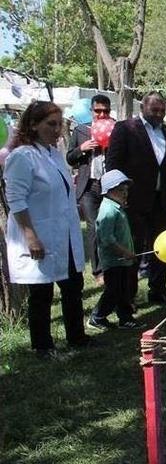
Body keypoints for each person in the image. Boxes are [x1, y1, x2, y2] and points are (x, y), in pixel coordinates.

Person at [4, 101, 92, 358]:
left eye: (59, 124)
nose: (57, 130)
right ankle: (43, 346)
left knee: (73, 285)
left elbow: (62, 191)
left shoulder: (53, 153)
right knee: (41, 292)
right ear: (32, 125)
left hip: (62, 232)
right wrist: (30, 237)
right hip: (38, 233)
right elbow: (16, 200)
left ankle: (77, 337)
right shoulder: (22, 156)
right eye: (50, 124)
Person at [106, 91, 166, 306]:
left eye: (162, 110)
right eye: (154, 110)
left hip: (162, 202)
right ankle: (128, 297)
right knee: (134, 249)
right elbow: (112, 165)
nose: (159, 114)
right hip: (133, 201)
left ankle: (158, 290)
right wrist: (118, 196)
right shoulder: (125, 129)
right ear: (142, 108)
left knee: (161, 247)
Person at [87, 170, 145, 330]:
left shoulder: (116, 207)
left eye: (126, 190)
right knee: (113, 291)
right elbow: (106, 239)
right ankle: (97, 317)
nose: (125, 194)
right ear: (109, 191)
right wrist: (124, 252)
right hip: (114, 261)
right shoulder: (108, 211)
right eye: (121, 190)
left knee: (122, 290)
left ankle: (125, 318)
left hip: (122, 260)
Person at [66, 94, 112, 286]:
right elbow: (69, 158)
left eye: (105, 111)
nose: (101, 114)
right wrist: (82, 148)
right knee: (94, 227)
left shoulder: (115, 128)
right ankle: (98, 271)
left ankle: (113, 268)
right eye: (97, 111)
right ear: (91, 111)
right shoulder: (80, 131)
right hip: (89, 186)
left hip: (109, 186)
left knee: (111, 226)